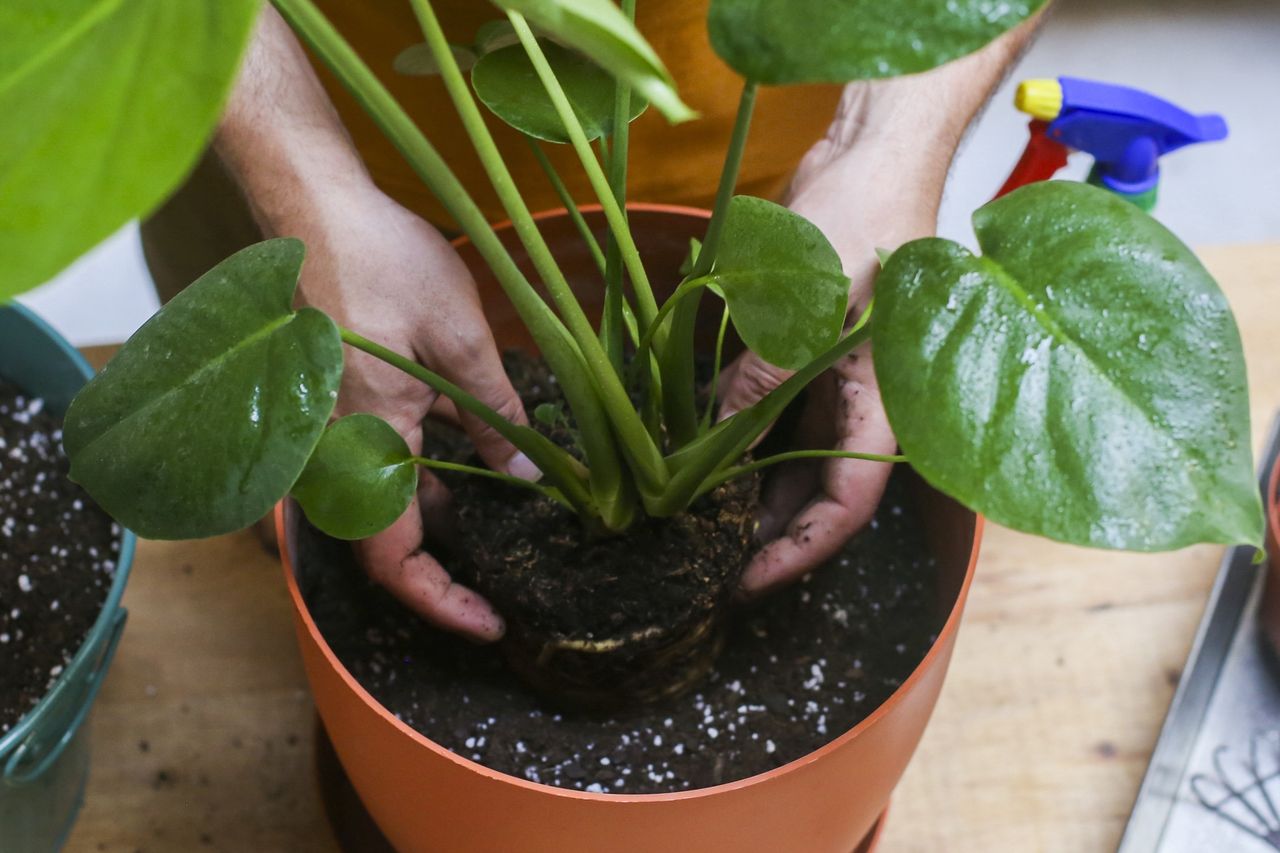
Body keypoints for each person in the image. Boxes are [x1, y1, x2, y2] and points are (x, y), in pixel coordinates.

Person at [142, 2, 1045, 642]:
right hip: (309, 118)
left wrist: (882, 142)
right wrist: (302, 188)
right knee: (306, 503)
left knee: (742, 314)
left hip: (771, 129)